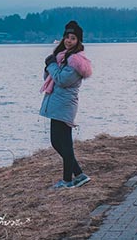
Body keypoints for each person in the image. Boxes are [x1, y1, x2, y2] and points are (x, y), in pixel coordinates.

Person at [39, 20, 93, 189]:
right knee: (57, 142)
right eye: (67, 37)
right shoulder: (63, 56)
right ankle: (79, 175)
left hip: (64, 105)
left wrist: (52, 65)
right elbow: (49, 78)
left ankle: (67, 180)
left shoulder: (76, 61)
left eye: (73, 38)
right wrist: (51, 66)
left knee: (64, 143)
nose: (69, 41)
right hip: (57, 103)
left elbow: (62, 80)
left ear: (78, 41)